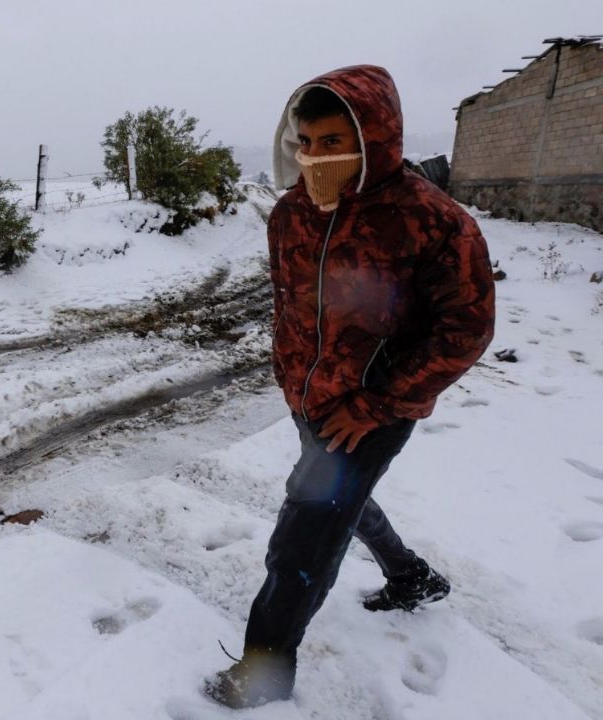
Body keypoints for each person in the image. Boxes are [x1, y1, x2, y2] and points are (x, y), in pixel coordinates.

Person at [203, 65, 496, 709]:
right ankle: (411, 577)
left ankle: (263, 674)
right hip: (309, 400)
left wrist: (375, 404)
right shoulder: (290, 215)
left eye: (334, 141)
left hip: (374, 410)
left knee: (302, 535)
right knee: (342, 496)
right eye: (305, 141)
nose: (315, 156)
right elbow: (290, 306)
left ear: (376, 137)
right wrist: (291, 376)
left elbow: (465, 329)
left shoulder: (433, 221)